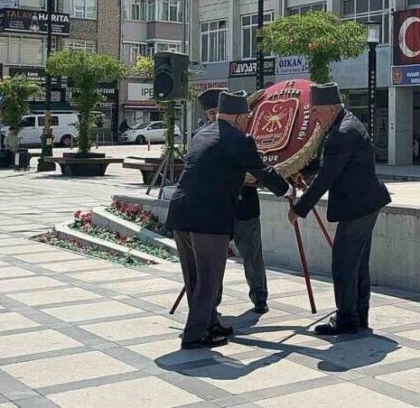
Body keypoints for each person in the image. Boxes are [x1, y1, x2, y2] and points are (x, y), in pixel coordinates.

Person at [166, 90, 291, 350]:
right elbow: (262, 171)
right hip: (208, 218)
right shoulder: (239, 139)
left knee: (194, 278)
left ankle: (210, 324)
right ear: (237, 117)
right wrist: (288, 190)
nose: (248, 121)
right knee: (209, 277)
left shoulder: (201, 135)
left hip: (181, 213)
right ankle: (195, 334)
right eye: (246, 116)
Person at [290, 83, 392, 336]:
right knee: (357, 263)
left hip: (358, 206)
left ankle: (347, 319)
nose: (314, 117)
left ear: (332, 107)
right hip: (364, 203)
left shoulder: (342, 132)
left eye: (317, 112)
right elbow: (330, 164)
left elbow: (327, 177)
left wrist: (300, 209)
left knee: (344, 263)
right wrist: (303, 172)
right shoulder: (344, 124)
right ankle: (358, 316)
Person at [196, 87, 270, 313]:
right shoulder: (203, 137)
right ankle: (212, 301)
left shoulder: (244, 134)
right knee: (214, 260)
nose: (214, 116)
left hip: (245, 204)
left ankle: (259, 296)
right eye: (210, 112)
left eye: (217, 110)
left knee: (252, 254)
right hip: (216, 210)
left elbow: (260, 167)